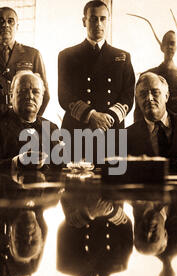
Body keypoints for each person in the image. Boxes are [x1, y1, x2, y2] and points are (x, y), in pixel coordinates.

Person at [58, 0, 135, 162]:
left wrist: (108, 117)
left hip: (111, 129)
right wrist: (91, 115)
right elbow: (64, 95)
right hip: (78, 129)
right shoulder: (67, 56)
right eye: (93, 18)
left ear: (108, 21)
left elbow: (128, 95)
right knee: (75, 181)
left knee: (113, 180)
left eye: (103, 18)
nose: (98, 24)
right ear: (84, 21)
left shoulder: (123, 56)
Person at [0, 70, 59, 171]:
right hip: (7, 185)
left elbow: (60, 166)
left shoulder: (51, 128)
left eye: (35, 92)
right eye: (23, 90)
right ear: (11, 96)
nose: (30, 96)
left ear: (42, 98)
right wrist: (16, 163)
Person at [135, 30, 177, 121]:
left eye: (172, 44)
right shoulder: (148, 76)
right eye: (166, 44)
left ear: (176, 48)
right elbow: (139, 112)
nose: (170, 47)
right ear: (162, 47)